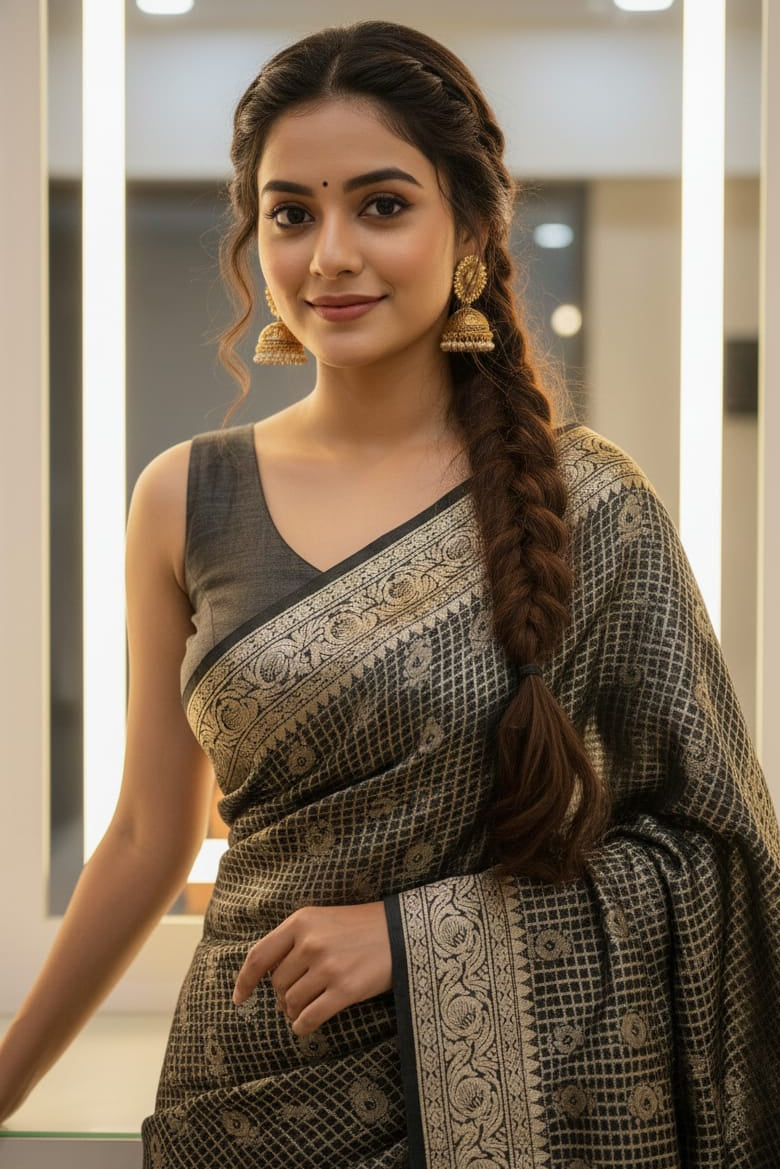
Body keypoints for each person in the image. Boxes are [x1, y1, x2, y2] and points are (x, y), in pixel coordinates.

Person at [1, 18, 779, 1167]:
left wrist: (420, 937)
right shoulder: (183, 495)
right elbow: (144, 835)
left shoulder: (592, 506)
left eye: (381, 204)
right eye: (291, 213)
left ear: (470, 229)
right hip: (239, 1090)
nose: (330, 255)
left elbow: (719, 853)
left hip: (507, 1113)